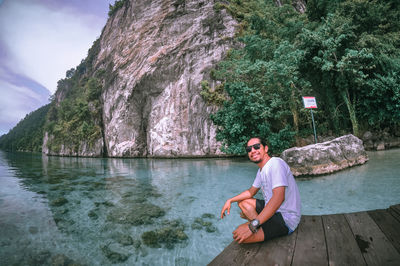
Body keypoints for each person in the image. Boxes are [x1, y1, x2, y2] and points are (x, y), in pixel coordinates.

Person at [220, 137, 301, 244]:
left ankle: (260, 227)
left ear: (266, 149)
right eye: (249, 149)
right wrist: (230, 200)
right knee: (243, 203)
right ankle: (263, 227)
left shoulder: (276, 164)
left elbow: (278, 198)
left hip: (286, 219)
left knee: (239, 236)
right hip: (273, 212)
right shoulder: (261, 170)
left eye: (256, 147)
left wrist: (252, 226)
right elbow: (251, 192)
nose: (252, 151)